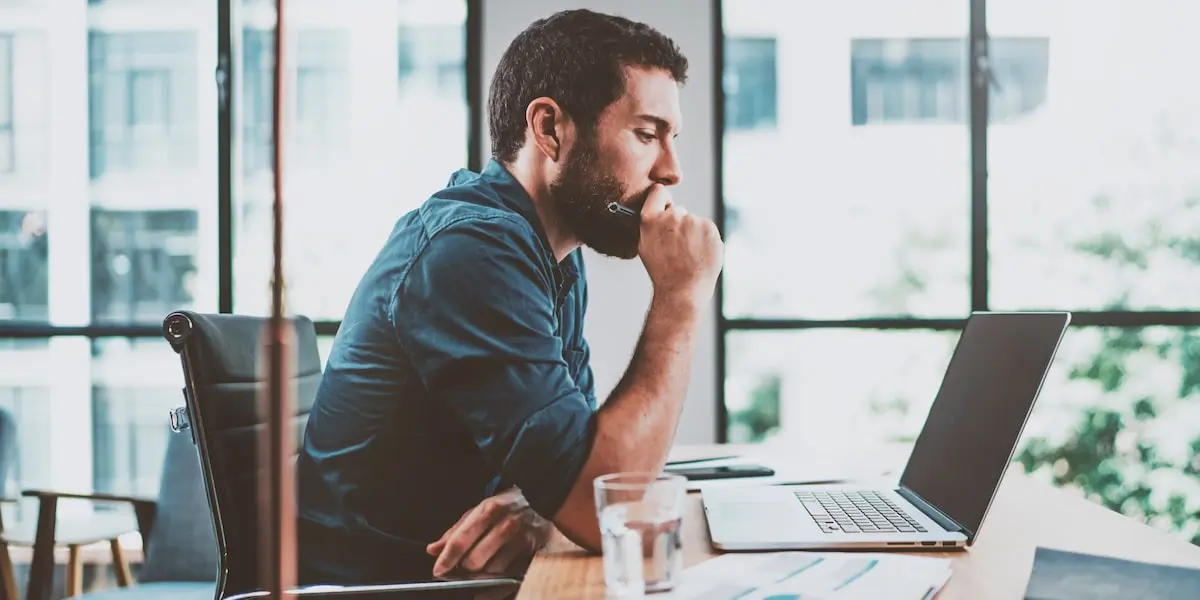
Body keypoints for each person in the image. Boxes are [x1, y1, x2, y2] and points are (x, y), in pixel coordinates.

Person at [295, 8, 723, 586]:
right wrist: (682, 294)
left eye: (672, 139)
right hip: (380, 592)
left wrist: (537, 501)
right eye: (647, 135)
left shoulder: (551, 255)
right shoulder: (472, 251)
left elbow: (583, 466)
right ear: (549, 129)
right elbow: (605, 511)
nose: (671, 171)